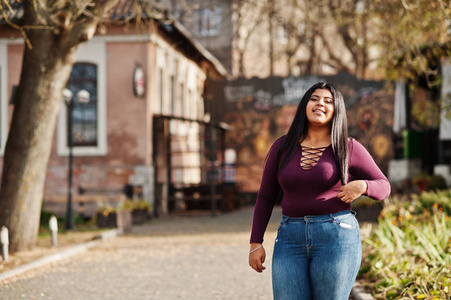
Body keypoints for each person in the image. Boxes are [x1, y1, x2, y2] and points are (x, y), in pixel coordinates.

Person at [248, 82, 390, 300]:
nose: (320, 104)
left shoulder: (348, 147)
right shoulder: (282, 147)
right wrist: (255, 243)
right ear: (305, 104)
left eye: (328, 101)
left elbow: (384, 185)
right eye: (314, 99)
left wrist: (363, 186)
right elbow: (266, 197)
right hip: (290, 238)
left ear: (336, 110)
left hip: (336, 237)